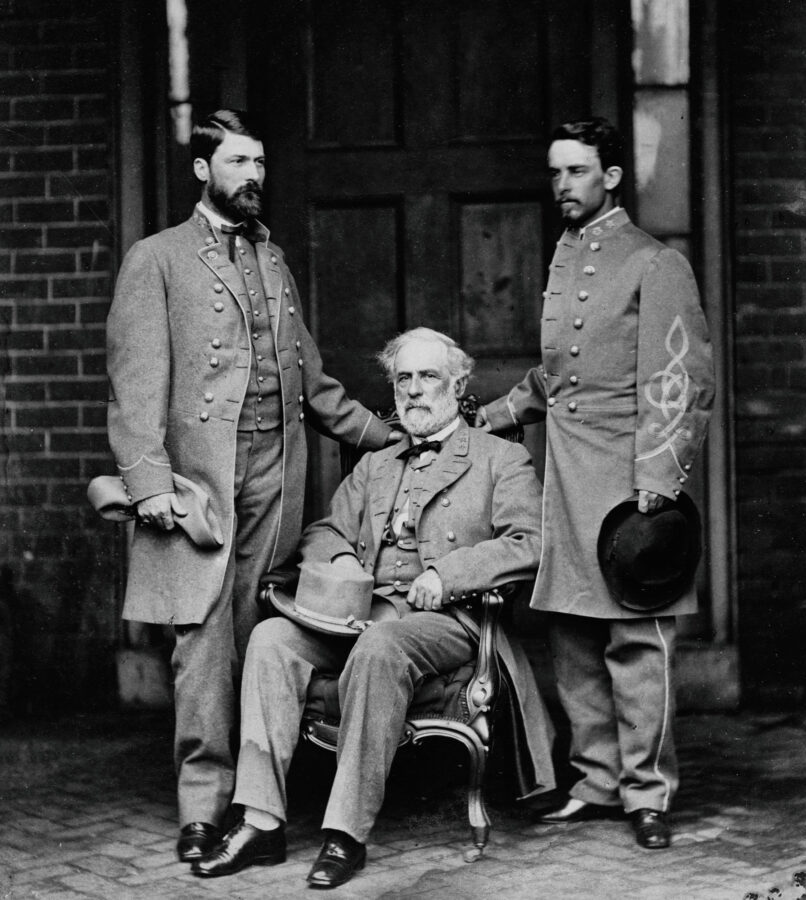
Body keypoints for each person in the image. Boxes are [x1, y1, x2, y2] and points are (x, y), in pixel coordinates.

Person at [105, 109, 395, 862]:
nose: (255, 176)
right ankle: (201, 805)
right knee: (203, 641)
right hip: (201, 480)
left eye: (260, 163)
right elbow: (134, 389)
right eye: (239, 163)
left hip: (276, 470)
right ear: (202, 171)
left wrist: (387, 435)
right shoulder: (158, 259)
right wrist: (149, 484)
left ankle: (255, 805)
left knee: (262, 632)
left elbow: (314, 384)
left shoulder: (274, 260)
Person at [191, 327, 556, 888]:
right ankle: (261, 820)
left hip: (445, 622)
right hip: (360, 616)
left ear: (458, 386)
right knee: (270, 640)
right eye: (403, 378)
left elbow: (528, 542)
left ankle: (345, 833)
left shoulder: (499, 459)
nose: (413, 391)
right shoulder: (376, 464)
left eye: (428, 377)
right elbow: (325, 530)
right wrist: (339, 564)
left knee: (382, 646)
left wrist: (449, 574)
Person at [476, 118, 715, 849]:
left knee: (636, 641)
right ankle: (598, 781)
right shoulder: (566, 254)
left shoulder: (654, 263)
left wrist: (659, 477)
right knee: (575, 635)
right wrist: (495, 414)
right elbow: (561, 379)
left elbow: (680, 376)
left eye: (576, 172)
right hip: (568, 474)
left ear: (611, 176)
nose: (561, 187)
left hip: (627, 480)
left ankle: (649, 791)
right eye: (555, 173)